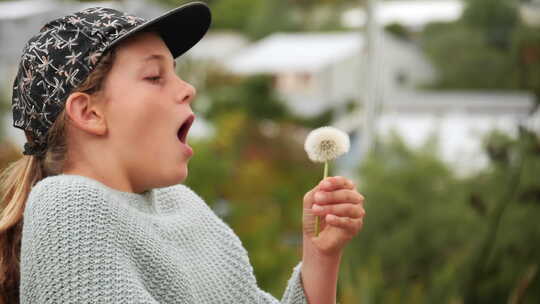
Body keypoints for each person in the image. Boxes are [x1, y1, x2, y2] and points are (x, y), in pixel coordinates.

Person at [0, 2, 366, 303]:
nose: (188, 88)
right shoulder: (67, 204)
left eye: (175, 73)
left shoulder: (182, 206)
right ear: (88, 113)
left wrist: (320, 256)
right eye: (154, 77)